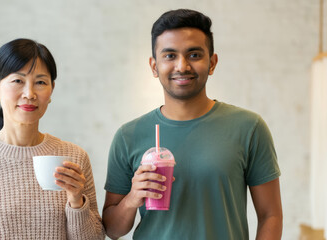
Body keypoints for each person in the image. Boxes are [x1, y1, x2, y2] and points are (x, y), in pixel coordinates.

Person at [102, 9, 282, 240]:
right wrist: (132, 199)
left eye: (194, 55)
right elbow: (112, 230)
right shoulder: (128, 136)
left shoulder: (249, 128)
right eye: (169, 56)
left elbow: (271, 215)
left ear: (212, 62)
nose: (182, 66)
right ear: (154, 66)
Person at [0, 38, 105, 239]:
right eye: (18, 81)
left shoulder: (74, 157)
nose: (29, 94)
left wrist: (76, 201)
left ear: (51, 90)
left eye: (40, 82)